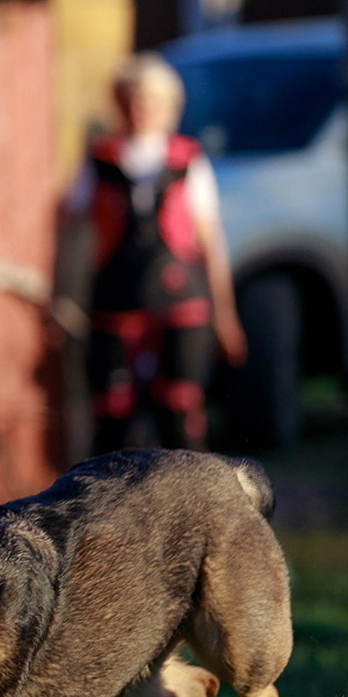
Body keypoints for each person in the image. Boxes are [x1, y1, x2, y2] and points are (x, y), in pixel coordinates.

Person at [61, 54, 247, 457]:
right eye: (132, 99)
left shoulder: (188, 162)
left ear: (168, 107)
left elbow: (210, 242)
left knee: (178, 409)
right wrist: (61, 297)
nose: (141, 109)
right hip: (116, 300)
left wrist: (225, 313)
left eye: (150, 100)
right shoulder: (99, 161)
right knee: (113, 416)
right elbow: (69, 229)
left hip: (180, 301)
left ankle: (192, 509)